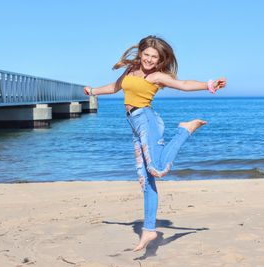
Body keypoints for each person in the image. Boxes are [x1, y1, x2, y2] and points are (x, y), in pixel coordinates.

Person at [84, 35, 226, 251]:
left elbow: (183, 85)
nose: (149, 60)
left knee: (158, 169)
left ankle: (184, 130)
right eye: (147, 55)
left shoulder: (157, 76)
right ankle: (149, 229)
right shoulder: (131, 69)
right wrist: (93, 91)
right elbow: (115, 87)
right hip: (134, 124)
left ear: (160, 60)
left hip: (147, 120)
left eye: (154, 57)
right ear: (141, 53)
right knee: (146, 180)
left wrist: (209, 84)